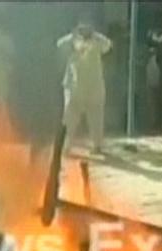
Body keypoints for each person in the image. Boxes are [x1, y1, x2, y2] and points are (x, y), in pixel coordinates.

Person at [57, 18, 111, 154]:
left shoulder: (97, 41)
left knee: (96, 118)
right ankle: (65, 147)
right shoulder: (72, 41)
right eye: (82, 27)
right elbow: (59, 45)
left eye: (88, 26)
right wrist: (74, 36)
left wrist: (93, 35)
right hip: (74, 87)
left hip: (94, 87)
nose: (85, 29)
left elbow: (108, 45)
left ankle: (97, 146)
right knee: (69, 118)